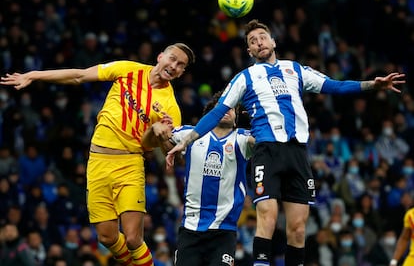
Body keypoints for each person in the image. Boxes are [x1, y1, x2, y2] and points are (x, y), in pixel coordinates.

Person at [166, 19, 406, 266]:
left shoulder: (296, 70)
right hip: (267, 150)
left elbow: (335, 86)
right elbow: (217, 112)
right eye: (252, 41)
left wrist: (372, 85)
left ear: (273, 41)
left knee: (298, 229)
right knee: (268, 217)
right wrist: (189, 140)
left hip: (297, 153)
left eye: (262, 37)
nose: (258, 42)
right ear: (249, 51)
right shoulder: (245, 77)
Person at [0, 42, 195, 266]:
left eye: (181, 65)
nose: (174, 65)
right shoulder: (128, 69)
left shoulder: (170, 107)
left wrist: (160, 135)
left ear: (181, 73)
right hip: (97, 161)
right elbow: (80, 76)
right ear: (161, 56)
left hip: (129, 164)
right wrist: (35, 75)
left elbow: (170, 151)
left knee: (132, 238)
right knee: (107, 237)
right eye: (172, 58)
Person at [142, 91, 255, 266]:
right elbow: (148, 142)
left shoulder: (242, 138)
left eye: (232, 109)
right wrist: (155, 129)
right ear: (211, 114)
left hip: (224, 231)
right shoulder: (190, 135)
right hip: (191, 229)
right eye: (222, 107)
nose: (227, 111)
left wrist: (260, 116)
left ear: (236, 119)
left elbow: (265, 141)